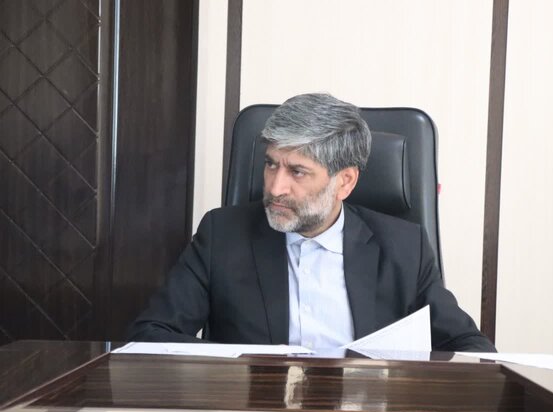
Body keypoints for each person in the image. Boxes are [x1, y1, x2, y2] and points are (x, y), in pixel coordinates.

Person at [128, 93, 496, 352]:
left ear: (345, 182)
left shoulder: (403, 248)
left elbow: (470, 348)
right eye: (271, 164)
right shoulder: (223, 235)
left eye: (298, 171)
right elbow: (150, 336)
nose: (275, 187)